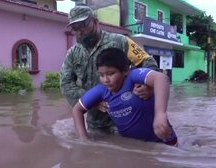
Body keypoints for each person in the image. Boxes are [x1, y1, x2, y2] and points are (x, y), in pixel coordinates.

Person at [60, 5, 159, 133]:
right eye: (75, 28)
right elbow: (65, 84)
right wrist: (91, 100)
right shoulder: (73, 54)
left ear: (95, 22)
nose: (80, 31)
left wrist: (149, 86)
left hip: (129, 118)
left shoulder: (121, 41)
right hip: (97, 124)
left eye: (83, 25)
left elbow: (147, 61)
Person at [72, 48, 178, 146]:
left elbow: (162, 78)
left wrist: (160, 114)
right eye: (101, 75)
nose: (105, 80)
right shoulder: (101, 91)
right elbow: (77, 109)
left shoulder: (133, 77)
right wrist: (83, 139)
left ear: (125, 70)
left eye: (110, 73)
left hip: (163, 139)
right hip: (132, 145)